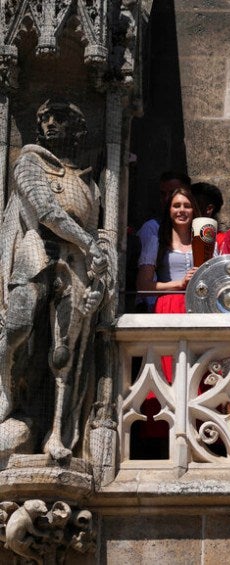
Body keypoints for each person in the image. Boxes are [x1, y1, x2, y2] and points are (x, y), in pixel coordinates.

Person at [0, 99, 113, 460]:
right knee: (17, 326)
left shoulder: (88, 184)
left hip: (75, 264)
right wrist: (87, 242)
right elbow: (46, 211)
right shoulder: (30, 162)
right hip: (35, 254)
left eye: (59, 118)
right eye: (44, 118)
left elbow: (101, 235)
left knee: (64, 351)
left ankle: (57, 434)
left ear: (78, 129)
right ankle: (6, 393)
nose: (50, 124)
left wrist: (99, 281)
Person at [136, 187, 200, 313]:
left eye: (187, 206)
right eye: (176, 206)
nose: (182, 210)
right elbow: (143, 285)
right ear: (169, 211)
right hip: (169, 306)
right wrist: (180, 284)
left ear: (193, 211)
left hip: (200, 305)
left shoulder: (205, 245)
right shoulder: (157, 243)